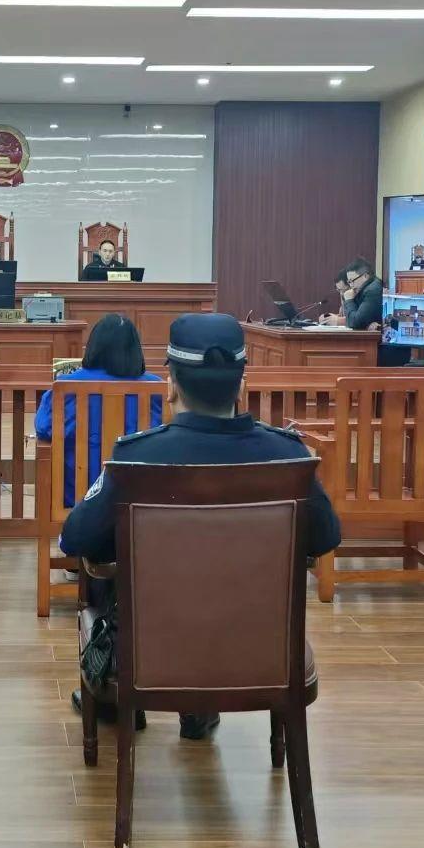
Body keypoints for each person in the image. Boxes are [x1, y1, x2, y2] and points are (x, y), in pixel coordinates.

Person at [59, 313, 342, 740]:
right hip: (260, 649)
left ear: (171, 385)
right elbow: (326, 537)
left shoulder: (136, 458)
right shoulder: (288, 455)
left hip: (154, 651)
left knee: (105, 558)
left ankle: (120, 701)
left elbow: (75, 539)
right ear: (242, 386)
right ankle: (199, 709)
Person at [35, 314, 163, 507]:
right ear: (135, 349)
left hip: (78, 496)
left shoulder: (66, 386)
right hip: (137, 496)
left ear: (93, 346)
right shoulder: (156, 388)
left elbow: (44, 429)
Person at [320, 259, 383, 330]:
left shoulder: (372, 290)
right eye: (349, 282)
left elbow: (355, 323)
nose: (351, 285)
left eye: (352, 281)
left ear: (365, 276)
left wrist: (349, 300)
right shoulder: (365, 289)